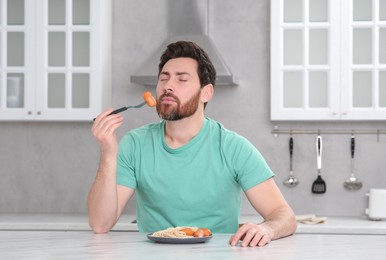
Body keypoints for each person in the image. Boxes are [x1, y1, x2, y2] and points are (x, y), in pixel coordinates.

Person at [88, 41, 297, 247]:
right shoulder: (134, 144)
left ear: (206, 93)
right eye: (164, 78)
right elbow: (100, 224)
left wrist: (266, 228)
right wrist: (108, 153)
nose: (168, 86)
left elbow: (284, 215)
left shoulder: (233, 147)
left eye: (182, 79)